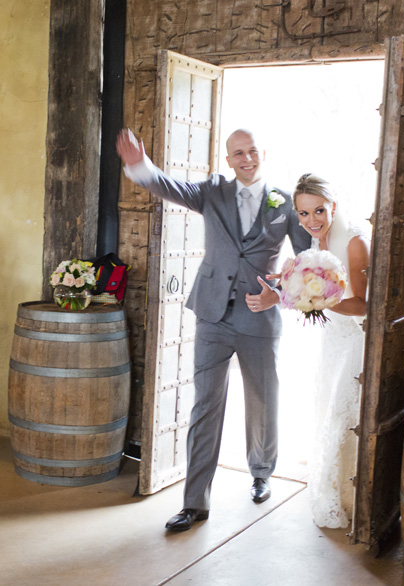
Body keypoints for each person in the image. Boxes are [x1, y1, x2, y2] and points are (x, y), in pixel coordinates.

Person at [116, 128, 311, 531]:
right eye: (238, 152)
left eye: (252, 150)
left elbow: (306, 262)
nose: (246, 158)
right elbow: (170, 186)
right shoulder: (213, 190)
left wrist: (278, 294)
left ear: (262, 154)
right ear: (229, 160)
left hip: (259, 315)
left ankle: (261, 472)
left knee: (262, 398)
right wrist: (138, 163)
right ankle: (194, 503)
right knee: (205, 405)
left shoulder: (286, 203)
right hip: (211, 314)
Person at [290, 173, 369, 528]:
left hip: (355, 339)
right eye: (303, 214)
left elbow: (364, 305)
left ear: (333, 207)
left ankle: (355, 499)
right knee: (325, 409)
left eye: (318, 211)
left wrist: (321, 300)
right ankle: (332, 489)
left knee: (343, 415)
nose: (312, 221)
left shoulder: (353, 243)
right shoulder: (316, 247)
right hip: (332, 341)